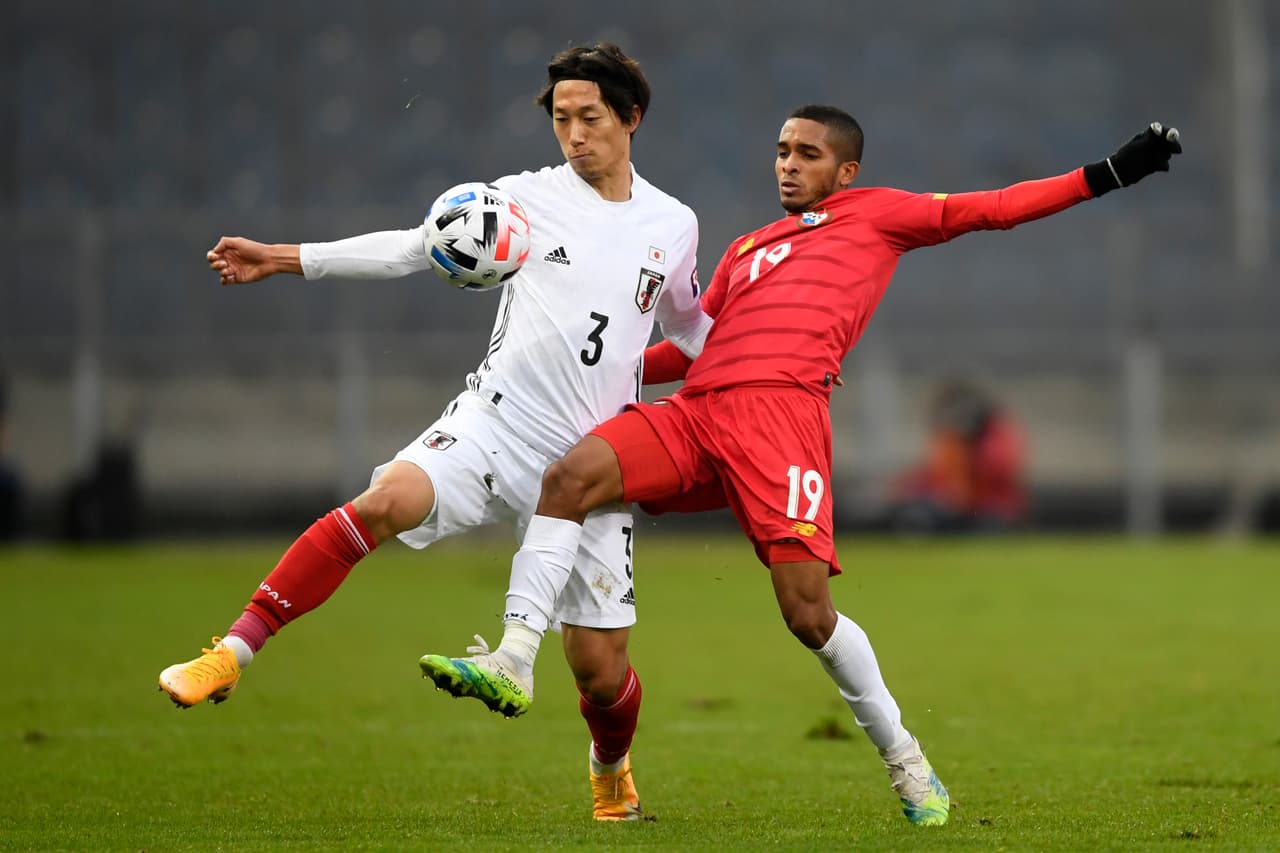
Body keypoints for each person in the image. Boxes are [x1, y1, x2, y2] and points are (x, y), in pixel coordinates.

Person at [420, 106, 1182, 826]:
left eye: (807, 154)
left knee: (807, 613)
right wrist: (582, 362)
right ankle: (516, 657)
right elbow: (692, 348)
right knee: (570, 475)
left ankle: (907, 761)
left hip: (782, 424)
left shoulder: (879, 215)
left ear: (845, 171)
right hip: (699, 410)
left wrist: (1109, 172)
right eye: (782, 150)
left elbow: (995, 207)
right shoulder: (746, 247)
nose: (787, 164)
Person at [158, 42, 711, 822]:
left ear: (631, 117)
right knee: (386, 499)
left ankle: (611, 773)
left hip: (594, 461)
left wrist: (777, 370)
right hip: (496, 423)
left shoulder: (672, 224)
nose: (575, 135)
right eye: (561, 119)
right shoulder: (521, 199)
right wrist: (282, 258)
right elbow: (410, 249)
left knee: (598, 668)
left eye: (590, 118)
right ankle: (231, 651)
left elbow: (688, 325)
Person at [889, 378, 1027, 533]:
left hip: (992, 508)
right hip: (956, 508)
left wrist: (971, 450)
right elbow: (934, 474)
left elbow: (1000, 469)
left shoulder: (997, 435)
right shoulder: (950, 439)